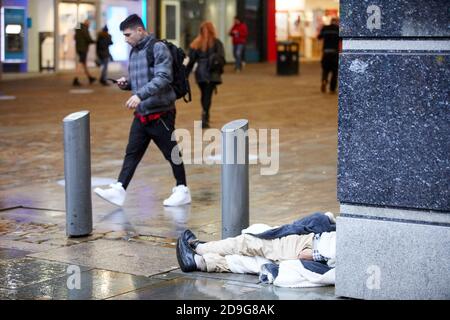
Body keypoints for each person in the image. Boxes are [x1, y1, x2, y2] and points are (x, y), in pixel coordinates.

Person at [93, 14, 191, 207]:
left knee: (171, 152)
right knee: (132, 152)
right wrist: (127, 83)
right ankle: (119, 189)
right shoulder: (135, 51)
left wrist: (139, 96)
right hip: (142, 113)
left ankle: (182, 189)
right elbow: (141, 80)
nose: (126, 39)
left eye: (128, 35)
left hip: (161, 111)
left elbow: (163, 77)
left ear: (140, 30)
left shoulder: (157, 48)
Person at [176, 212, 336, 274]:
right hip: (318, 246)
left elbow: (346, 251)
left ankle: (200, 248)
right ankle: (200, 262)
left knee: (252, 242)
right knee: (252, 262)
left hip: (311, 246)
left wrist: (315, 255)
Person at [186, 21, 225, 129]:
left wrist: (185, 74)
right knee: (207, 95)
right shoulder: (217, 43)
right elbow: (222, 59)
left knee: (204, 94)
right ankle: (205, 115)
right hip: (211, 73)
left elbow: (190, 60)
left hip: (200, 73)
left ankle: (205, 114)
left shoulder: (196, 43)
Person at [317, 17, 340, 94]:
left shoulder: (325, 28)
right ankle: (332, 88)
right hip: (334, 53)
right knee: (335, 71)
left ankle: (324, 80)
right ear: (336, 22)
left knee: (325, 69)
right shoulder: (338, 29)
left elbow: (319, 37)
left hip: (326, 52)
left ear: (331, 21)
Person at [73, 19, 96, 86]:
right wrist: (94, 41)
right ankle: (75, 79)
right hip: (83, 49)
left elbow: (75, 37)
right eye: (89, 24)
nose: (89, 25)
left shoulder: (78, 27)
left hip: (78, 48)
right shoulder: (85, 28)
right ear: (87, 23)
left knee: (84, 63)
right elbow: (88, 38)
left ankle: (90, 77)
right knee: (81, 63)